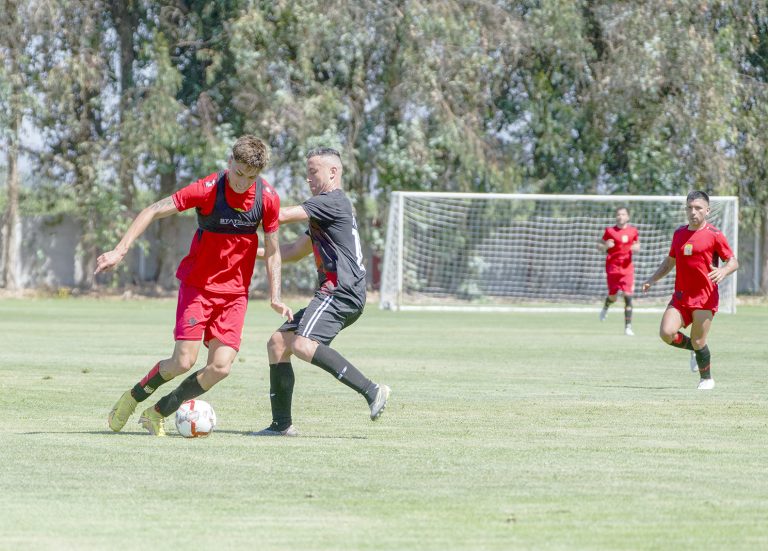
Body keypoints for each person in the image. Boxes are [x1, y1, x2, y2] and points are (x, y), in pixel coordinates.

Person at [95, 135, 292, 435]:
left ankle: (157, 412)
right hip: (198, 288)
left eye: (250, 177)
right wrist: (120, 249)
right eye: (238, 173)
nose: (242, 182)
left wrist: (275, 295)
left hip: (235, 295)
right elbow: (152, 210)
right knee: (183, 362)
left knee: (221, 367)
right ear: (230, 163)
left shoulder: (267, 198)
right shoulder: (208, 189)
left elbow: (274, 251)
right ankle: (133, 397)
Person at [251, 147, 390, 437]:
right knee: (278, 343)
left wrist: (246, 206)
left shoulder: (332, 201)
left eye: (313, 172)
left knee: (302, 344)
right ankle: (281, 426)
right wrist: (248, 251)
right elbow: (291, 251)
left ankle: (372, 390)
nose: (309, 179)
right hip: (338, 292)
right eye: (307, 173)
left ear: (333, 172)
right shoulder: (324, 213)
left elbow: (281, 215)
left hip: (341, 291)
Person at [641, 190, 738, 390]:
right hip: (681, 296)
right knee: (667, 333)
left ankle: (707, 379)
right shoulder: (679, 233)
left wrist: (723, 271)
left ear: (707, 211)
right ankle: (693, 350)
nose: (693, 212)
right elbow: (669, 262)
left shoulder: (715, 235)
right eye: (689, 208)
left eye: (698, 208)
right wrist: (653, 279)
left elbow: (734, 261)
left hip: (705, 297)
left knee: (699, 340)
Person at [597, 206, 640, 336]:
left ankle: (628, 327)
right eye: (618, 214)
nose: (620, 216)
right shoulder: (609, 231)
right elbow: (599, 245)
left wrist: (636, 247)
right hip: (613, 269)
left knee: (628, 296)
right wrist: (605, 246)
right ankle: (606, 306)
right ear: (616, 217)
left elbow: (637, 245)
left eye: (623, 214)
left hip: (627, 269)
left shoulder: (633, 231)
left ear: (627, 217)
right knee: (613, 297)